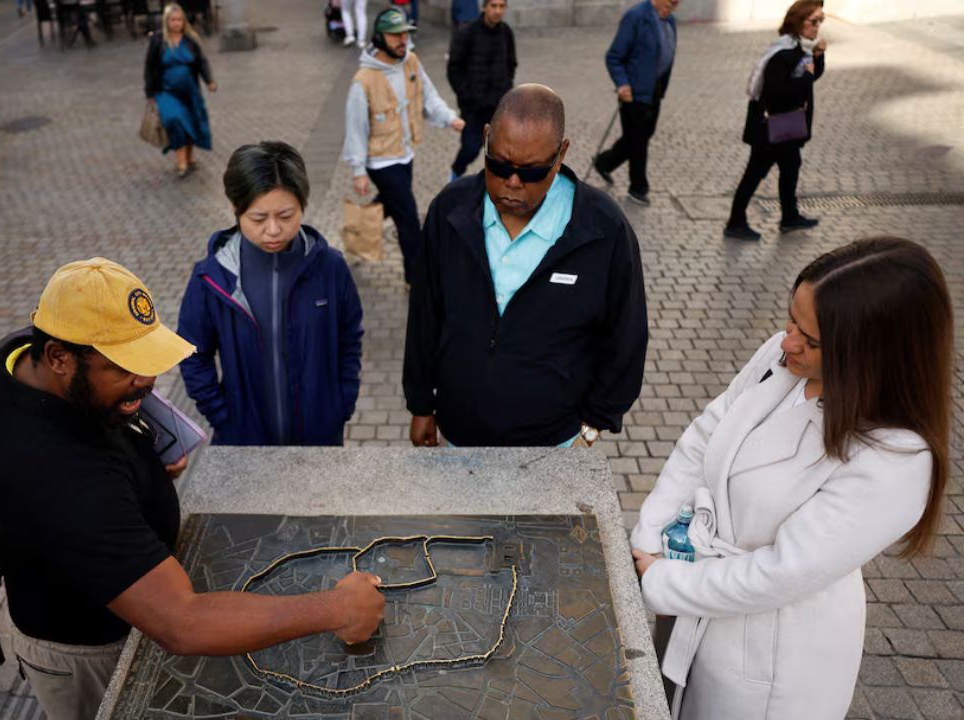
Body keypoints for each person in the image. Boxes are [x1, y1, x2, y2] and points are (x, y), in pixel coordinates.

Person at [0, 259, 385, 720]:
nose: (146, 380)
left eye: (146, 360)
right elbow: (181, 622)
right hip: (86, 647)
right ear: (58, 356)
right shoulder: (59, 479)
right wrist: (336, 608)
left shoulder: (17, 357)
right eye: (124, 367)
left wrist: (141, 461)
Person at [630, 237, 952, 719]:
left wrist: (662, 581)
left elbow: (782, 571)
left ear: (871, 353)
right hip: (695, 596)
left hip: (771, 658)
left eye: (811, 338)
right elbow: (709, 431)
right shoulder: (783, 360)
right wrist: (650, 535)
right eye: (791, 319)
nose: (787, 341)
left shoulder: (897, 457)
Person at [404, 84, 648, 448]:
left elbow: (627, 337)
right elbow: (425, 316)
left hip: (555, 449)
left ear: (561, 153)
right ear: (486, 138)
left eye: (531, 172)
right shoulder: (449, 212)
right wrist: (421, 404)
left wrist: (595, 426)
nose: (512, 183)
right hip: (458, 438)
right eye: (499, 165)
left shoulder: (602, 230)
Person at [178, 142, 363, 446]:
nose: (274, 230)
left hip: (319, 442)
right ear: (235, 209)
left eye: (286, 215)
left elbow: (349, 340)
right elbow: (192, 354)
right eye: (259, 218)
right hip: (243, 445)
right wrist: (222, 416)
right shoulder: (211, 278)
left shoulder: (331, 269)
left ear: (302, 205)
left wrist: (341, 405)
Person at [343, 8, 464, 286]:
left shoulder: (411, 61)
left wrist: (450, 118)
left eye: (404, 35)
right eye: (395, 35)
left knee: (389, 203)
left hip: (405, 153)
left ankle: (357, 237)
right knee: (407, 218)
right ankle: (417, 278)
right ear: (379, 37)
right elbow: (355, 129)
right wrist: (359, 170)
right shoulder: (363, 82)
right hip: (380, 160)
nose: (402, 40)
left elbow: (429, 94)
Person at [724, 0, 827, 241]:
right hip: (771, 128)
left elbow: (811, 76)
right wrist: (807, 76)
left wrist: (818, 58)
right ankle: (736, 221)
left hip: (786, 126)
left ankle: (789, 216)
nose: (818, 26)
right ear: (799, 22)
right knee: (755, 173)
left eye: (821, 21)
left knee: (791, 168)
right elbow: (775, 92)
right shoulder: (783, 53)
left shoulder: (801, 49)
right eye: (814, 21)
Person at [593, 0, 678, 206]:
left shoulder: (670, 20)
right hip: (633, 93)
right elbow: (614, 56)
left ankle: (605, 162)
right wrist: (622, 84)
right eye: (670, 1)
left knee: (641, 135)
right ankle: (638, 187)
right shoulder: (636, 17)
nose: (674, 5)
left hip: (654, 91)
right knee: (638, 140)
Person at [144, 3, 215, 177]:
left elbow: (201, 61)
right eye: (173, 20)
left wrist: (209, 80)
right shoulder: (158, 40)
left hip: (189, 91)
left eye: (179, 20)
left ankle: (189, 156)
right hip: (166, 90)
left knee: (190, 122)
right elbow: (150, 66)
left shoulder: (191, 40)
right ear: (166, 21)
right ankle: (181, 161)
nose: (176, 23)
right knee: (175, 120)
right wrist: (150, 92)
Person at [447, 0, 515, 182]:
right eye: (493, 6)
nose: (497, 11)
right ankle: (454, 176)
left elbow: (511, 63)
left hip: (499, 106)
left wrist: (507, 87)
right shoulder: (467, 33)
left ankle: (496, 187)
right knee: (470, 149)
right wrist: (465, 94)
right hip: (474, 107)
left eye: (502, 6)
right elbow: (454, 68)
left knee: (501, 152)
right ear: (484, 7)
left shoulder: (506, 33)